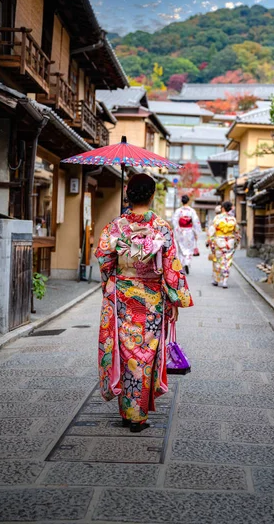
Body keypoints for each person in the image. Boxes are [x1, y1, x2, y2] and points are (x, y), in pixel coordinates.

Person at [95, 173, 193, 433]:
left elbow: (104, 259)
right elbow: (172, 267)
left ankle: (129, 410)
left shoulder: (116, 226)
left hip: (123, 297)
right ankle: (136, 414)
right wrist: (174, 298)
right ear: (152, 195)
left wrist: (111, 282)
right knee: (144, 354)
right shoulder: (161, 227)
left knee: (125, 352)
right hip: (151, 298)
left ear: (128, 193)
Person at [208, 200, 241, 289]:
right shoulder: (233, 219)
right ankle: (225, 281)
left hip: (219, 241)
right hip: (229, 242)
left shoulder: (217, 218)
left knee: (217, 260)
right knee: (227, 261)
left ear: (222, 208)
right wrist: (236, 243)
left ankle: (216, 279)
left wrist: (210, 241)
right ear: (230, 209)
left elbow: (212, 231)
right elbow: (237, 232)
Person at [172, 194, 202, 275]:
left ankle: (182, 265)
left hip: (180, 232)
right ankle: (187, 263)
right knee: (189, 249)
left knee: (181, 249)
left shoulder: (178, 211)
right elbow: (196, 222)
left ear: (181, 201)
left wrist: (178, 230)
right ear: (188, 201)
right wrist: (196, 233)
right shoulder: (191, 211)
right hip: (189, 233)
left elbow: (174, 221)